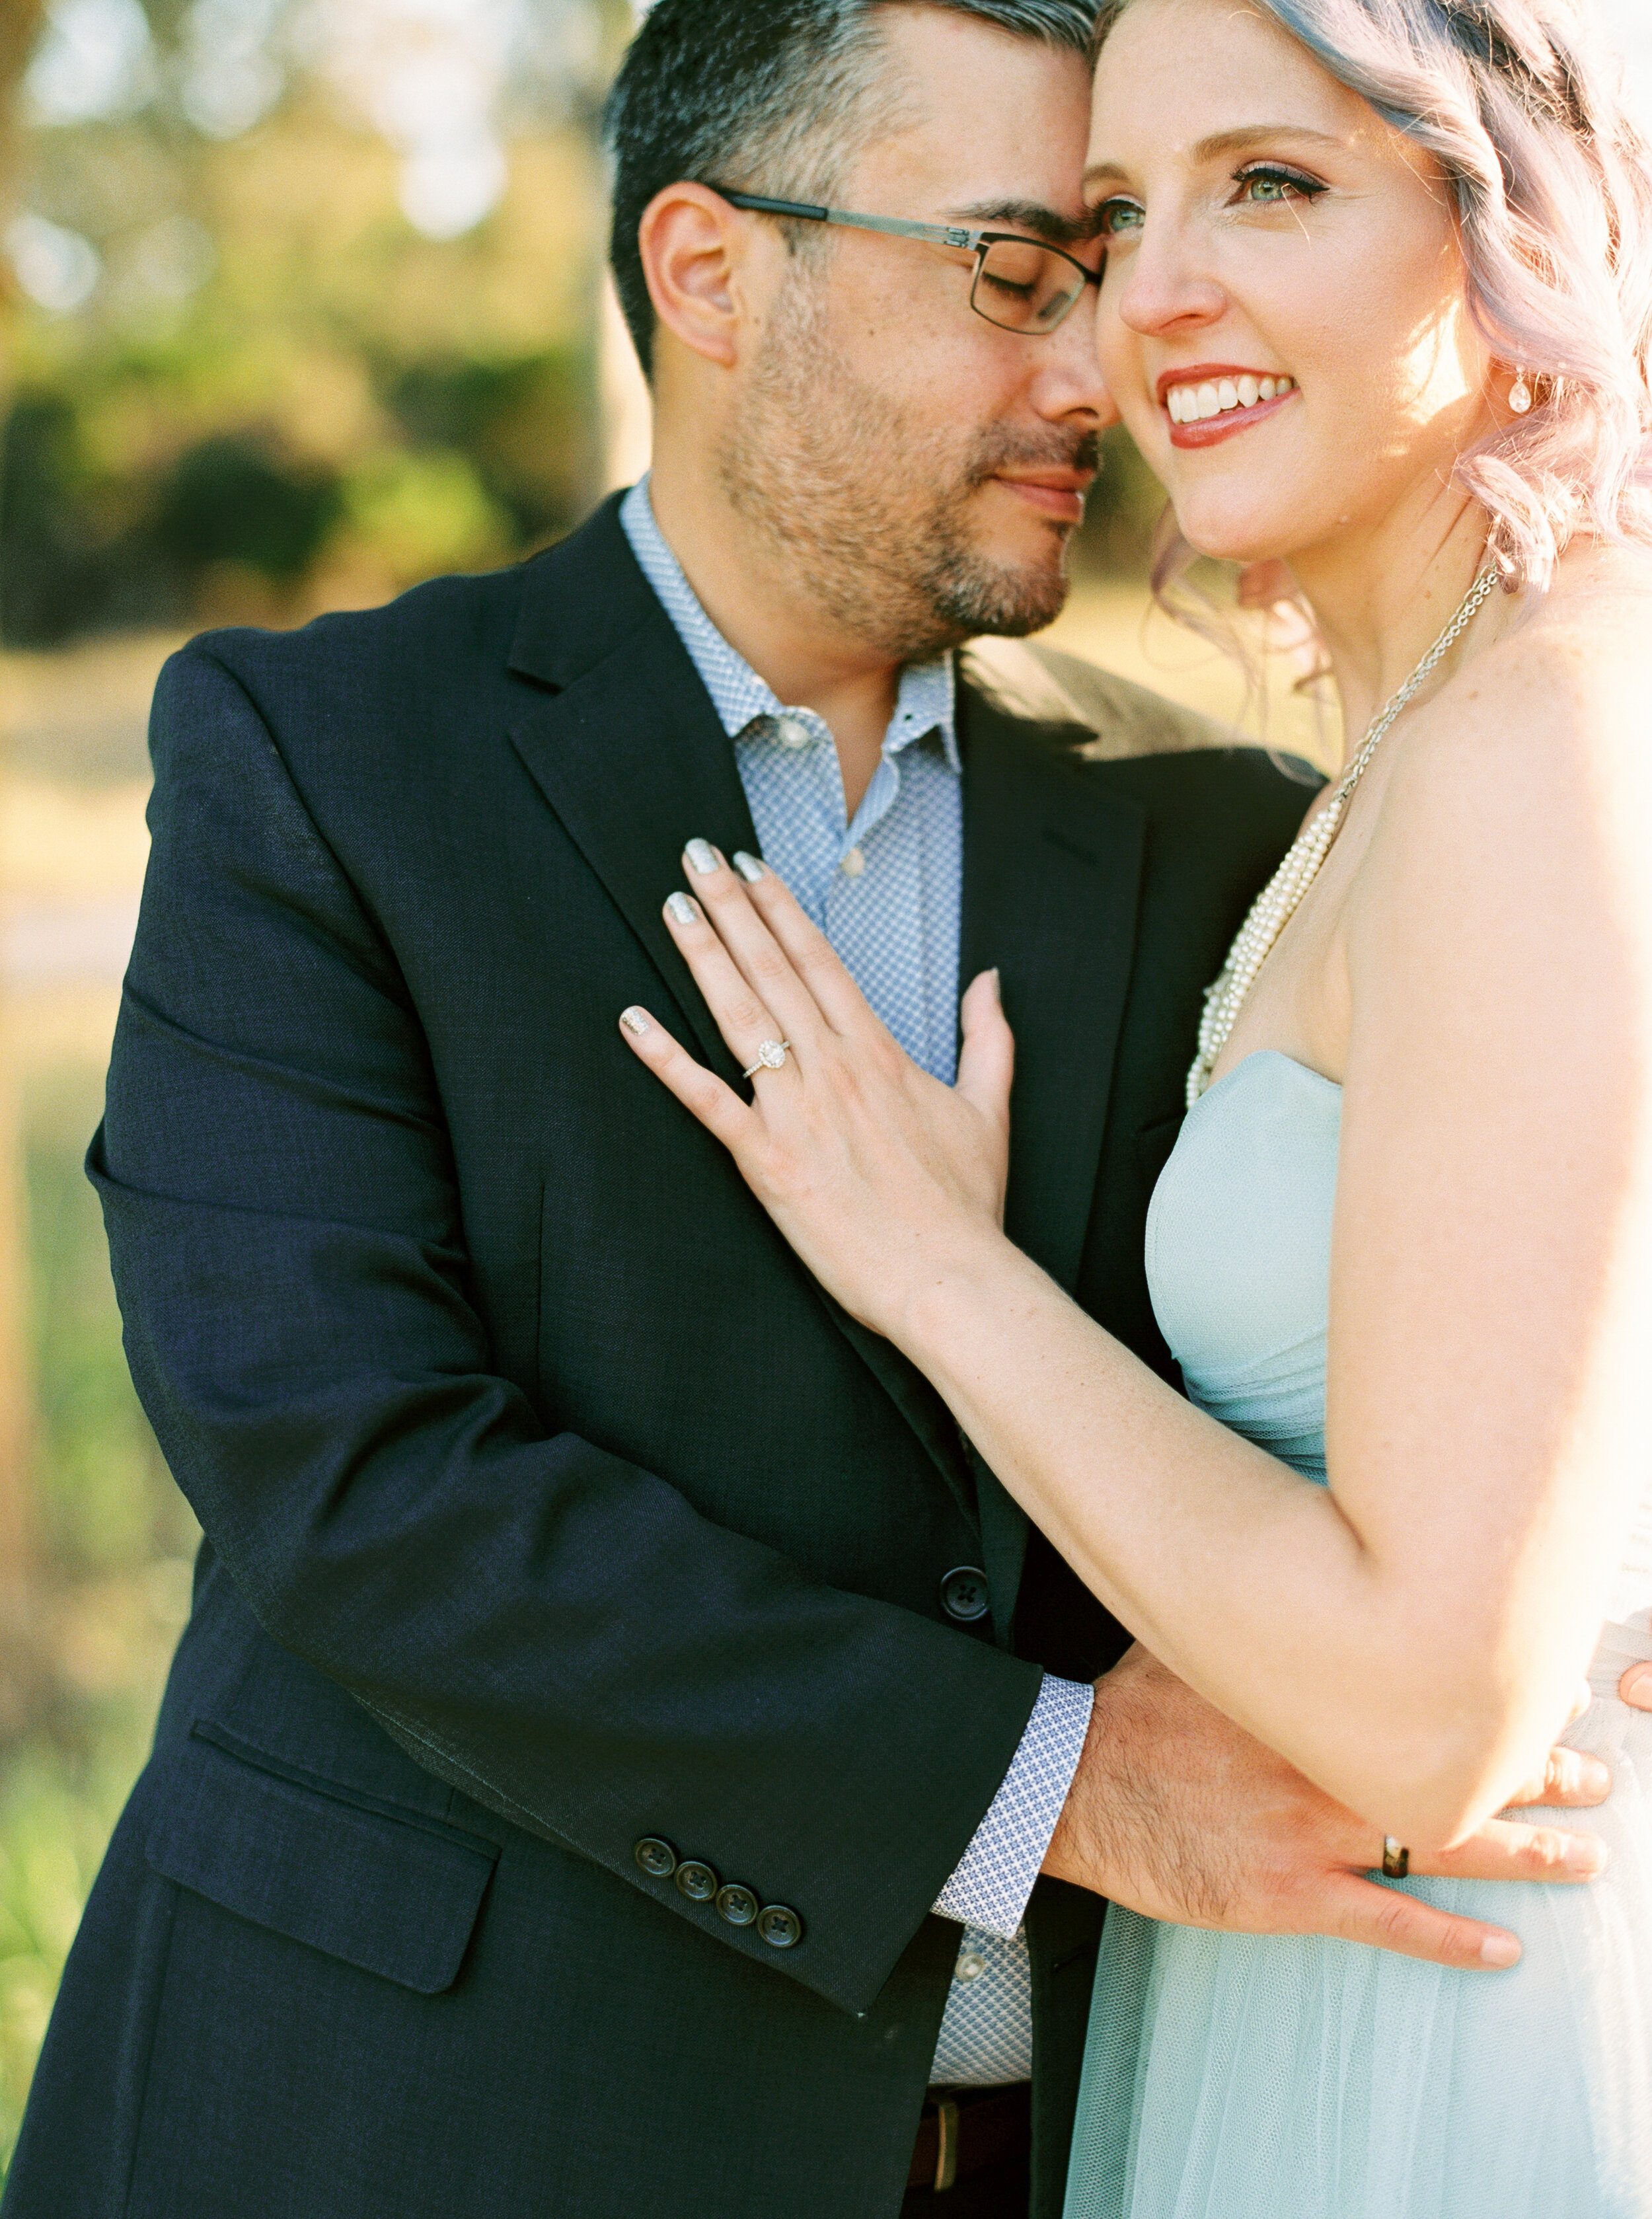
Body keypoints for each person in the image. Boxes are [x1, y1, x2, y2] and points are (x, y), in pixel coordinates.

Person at [3, 5, 1632, 2218]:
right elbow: (356, 1481)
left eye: (1119, 252)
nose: (1096, 367)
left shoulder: (1223, 827)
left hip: (1089, 2140)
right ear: (707, 271)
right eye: (1017, 266)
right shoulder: (323, 760)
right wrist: (1046, 1784)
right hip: (411, 2130)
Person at [616, 0, 1652, 2212]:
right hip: (1289, 1978)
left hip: (1466, 2006)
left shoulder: (1537, 739)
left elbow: (1419, 1721)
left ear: (1511, 221)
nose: (1142, 297)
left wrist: (936, 1274)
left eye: (1266, 184)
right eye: (1107, 216)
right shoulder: (1355, 777)